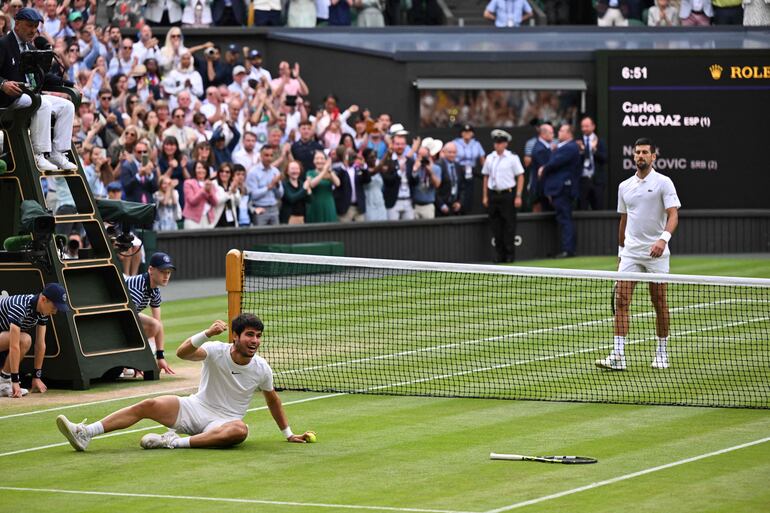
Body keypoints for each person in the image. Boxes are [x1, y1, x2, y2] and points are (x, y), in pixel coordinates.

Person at [57, 314, 314, 451]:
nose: (255, 340)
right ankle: (85, 434)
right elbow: (182, 354)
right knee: (149, 404)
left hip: (223, 422)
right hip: (194, 408)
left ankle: (172, 442)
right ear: (235, 336)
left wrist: (288, 434)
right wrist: (206, 334)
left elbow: (273, 400)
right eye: (249, 335)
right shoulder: (215, 350)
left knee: (240, 431)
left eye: (258, 336)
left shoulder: (262, 368)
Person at [596, 138, 681, 371]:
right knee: (621, 301)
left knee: (659, 302)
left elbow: (673, 215)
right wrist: (621, 252)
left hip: (657, 254)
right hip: (631, 253)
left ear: (654, 156)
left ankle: (662, 353)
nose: (640, 155)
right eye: (637, 152)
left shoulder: (664, 183)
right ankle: (618, 355)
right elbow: (624, 220)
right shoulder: (624, 187)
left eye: (645, 152)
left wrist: (663, 240)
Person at [0, 8, 78, 172]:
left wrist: (68, 84)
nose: (33, 30)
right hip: (9, 99)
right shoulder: (3, 44)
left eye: (35, 26)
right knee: (42, 104)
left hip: (31, 96)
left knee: (66, 106)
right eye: (29, 25)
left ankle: (57, 153)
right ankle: (39, 154)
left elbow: (42, 75)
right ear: (18, 23)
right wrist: (3, 84)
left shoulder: (31, 47)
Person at [0, 283, 69, 398]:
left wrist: (37, 376)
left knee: (25, 340)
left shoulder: (42, 311)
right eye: (54, 307)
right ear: (43, 299)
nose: (55, 311)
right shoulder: (20, 306)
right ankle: (5, 381)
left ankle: (3, 382)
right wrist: (15, 381)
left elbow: (40, 344)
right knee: (24, 340)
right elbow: (14, 346)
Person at [124, 252, 177, 375]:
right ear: (151, 270)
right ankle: (126, 363)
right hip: (112, 318)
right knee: (147, 327)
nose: (166, 276)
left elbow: (158, 324)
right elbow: (127, 323)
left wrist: (160, 357)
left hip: (126, 315)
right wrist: (137, 360)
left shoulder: (155, 289)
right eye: (163, 272)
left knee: (155, 325)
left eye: (168, 272)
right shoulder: (137, 287)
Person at [481, 129, 525, 263]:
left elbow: (520, 176)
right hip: (494, 195)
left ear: (505, 144)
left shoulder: (512, 158)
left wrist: (518, 195)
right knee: (496, 227)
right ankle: (499, 255)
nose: (497, 145)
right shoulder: (490, 158)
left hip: (508, 195)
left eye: (500, 142)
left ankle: (509, 255)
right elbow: (485, 177)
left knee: (509, 226)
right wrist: (485, 196)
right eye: (496, 142)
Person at [538, 123, 581, 258]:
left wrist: (544, 168)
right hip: (557, 189)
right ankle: (567, 248)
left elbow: (555, 162)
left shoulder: (570, 147)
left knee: (565, 219)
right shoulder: (562, 147)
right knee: (563, 219)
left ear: (569, 133)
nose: (559, 133)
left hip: (562, 189)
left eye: (561, 131)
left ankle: (568, 250)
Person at [576, 116, 607, 211]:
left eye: (587, 126)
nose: (584, 129)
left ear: (593, 126)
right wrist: (581, 151)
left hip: (596, 180)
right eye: (582, 126)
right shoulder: (577, 142)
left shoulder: (600, 141)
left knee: (598, 208)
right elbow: (574, 162)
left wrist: (594, 150)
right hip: (582, 180)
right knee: (582, 208)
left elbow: (605, 159)